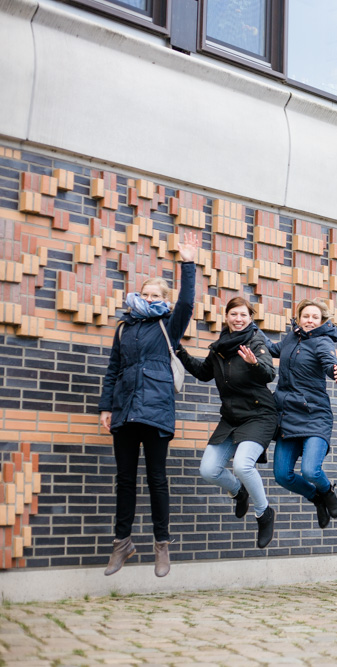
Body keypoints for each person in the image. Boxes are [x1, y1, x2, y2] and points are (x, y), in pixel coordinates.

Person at [98, 231, 199, 578]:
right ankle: (122, 542)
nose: (149, 298)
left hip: (156, 411)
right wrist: (105, 408)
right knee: (125, 479)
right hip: (124, 412)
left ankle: (161, 545)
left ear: (164, 300)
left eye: (156, 294)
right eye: (145, 293)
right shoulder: (124, 328)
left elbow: (187, 303)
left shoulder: (168, 325)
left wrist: (187, 263)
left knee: (157, 478)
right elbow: (113, 369)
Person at [175, 297, 279, 550]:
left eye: (243, 314)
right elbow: (203, 373)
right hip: (231, 417)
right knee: (209, 470)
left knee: (243, 466)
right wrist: (181, 353)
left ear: (250, 317)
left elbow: (269, 373)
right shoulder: (219, 348)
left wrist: (254, 363)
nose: (238, 319)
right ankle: (238, 492)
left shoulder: (256, 342)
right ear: (227, 317)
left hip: (259, 414)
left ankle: (264, 513)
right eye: (234, 314)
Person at [268, 299, 337, 528]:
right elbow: (273, 349)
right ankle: (316, 499)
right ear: (298, 317)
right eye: (306, 316)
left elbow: (329, 362)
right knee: (282, 475)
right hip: (288, 416)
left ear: (321, 321)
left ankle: (327, 491)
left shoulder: (322, 341)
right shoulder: (291, 338)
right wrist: (252, 332)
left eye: (315, 317)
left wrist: (335, 370)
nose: (310, 320)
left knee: (310, 470)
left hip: (314, 415)